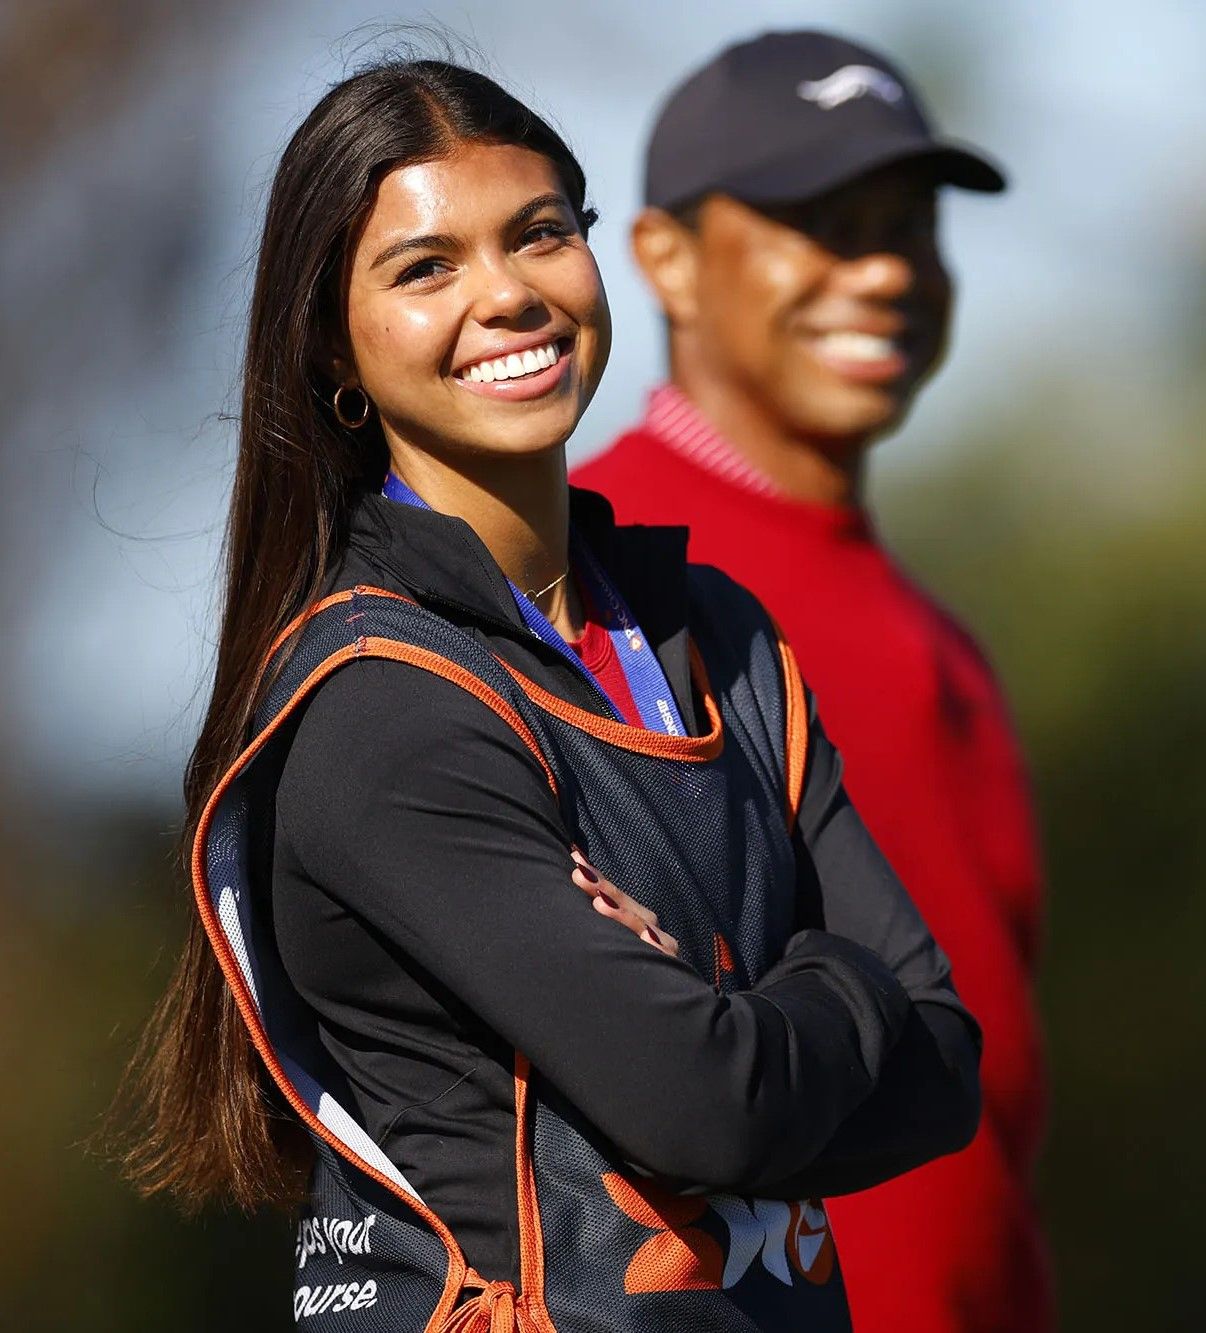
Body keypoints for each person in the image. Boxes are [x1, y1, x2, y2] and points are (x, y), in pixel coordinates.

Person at [118, 57, 982, 1332]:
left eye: (539, 234)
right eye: (425, 268)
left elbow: (947, 1065)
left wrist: (739, 1014)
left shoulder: (715, 636)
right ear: (333, 348)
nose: (507, 294)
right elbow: (711, 1105)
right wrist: (842, 981)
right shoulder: (386, 711)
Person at [572, 29, 1050, 1333]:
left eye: (908, 224)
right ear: (665, 258)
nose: (884, 268)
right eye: (822, 224)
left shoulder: (943, 637)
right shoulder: (582, 571)